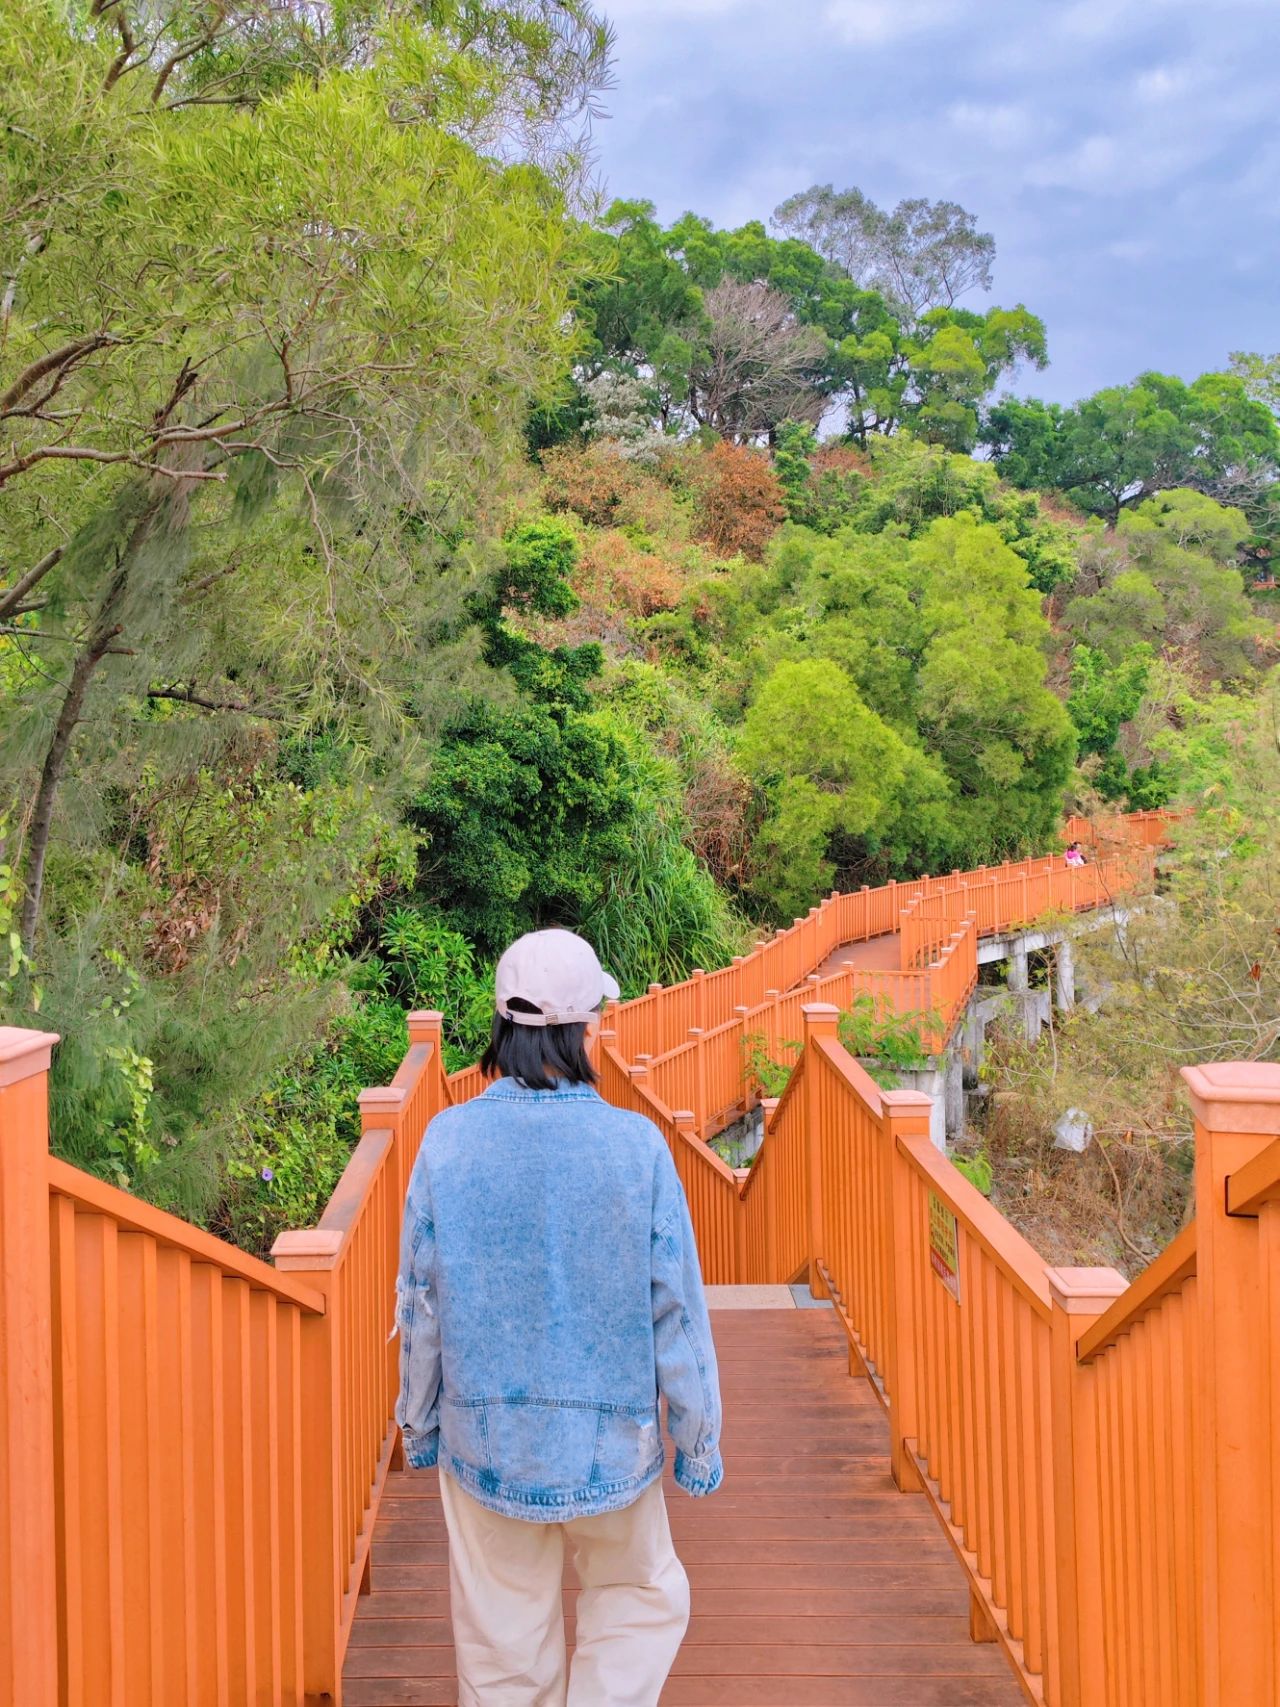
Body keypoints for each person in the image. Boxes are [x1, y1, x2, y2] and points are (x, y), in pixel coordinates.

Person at [395, 927, 723, 1707]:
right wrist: (696, 1436)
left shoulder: (447, 1141)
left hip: (486, 1439)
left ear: (504, 1029)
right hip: (613, 1443)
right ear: (582, 1029)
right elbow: (674, 1308)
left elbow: (423, 1303)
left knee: (502, 1646)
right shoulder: (634, 1146)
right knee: (640, 1599)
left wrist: (421, 1421)